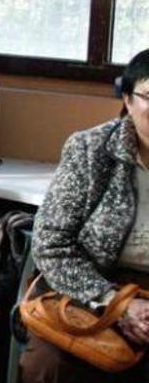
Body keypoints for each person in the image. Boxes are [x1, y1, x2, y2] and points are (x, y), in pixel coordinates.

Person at [22, 47, 149, 382]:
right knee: (49, 367)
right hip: (90, 286)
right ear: (128, 98)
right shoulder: (90, 150)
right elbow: (51, 245)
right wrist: (115, 303)